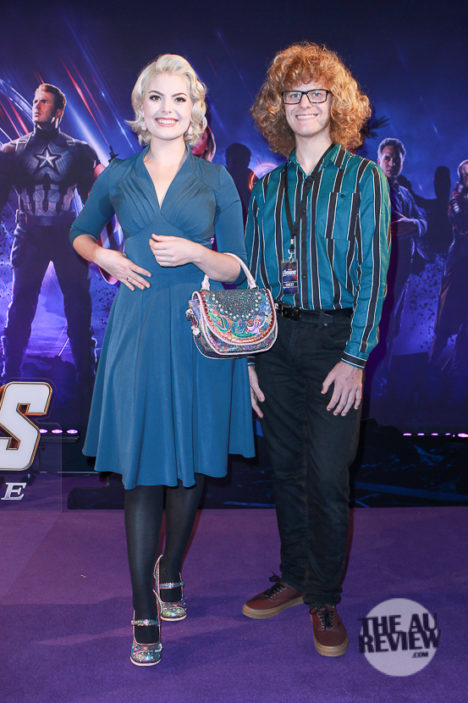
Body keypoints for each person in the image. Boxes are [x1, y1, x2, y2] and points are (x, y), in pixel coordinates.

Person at [70, 54, 254, 667]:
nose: (167, 108)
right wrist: (104, 256)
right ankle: (142, 609)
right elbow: (80, 231)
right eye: (157, 97)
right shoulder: (118, 175)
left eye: (180, 98)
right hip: (138, 330)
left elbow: (237, 267)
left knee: (191, 467)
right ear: (141, 108)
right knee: (142, 469)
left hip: (199, 332)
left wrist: (198, 254)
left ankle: (170, 567)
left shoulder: (216, 179)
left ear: (194, 109)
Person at [243, 43, 390, 657]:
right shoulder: (267, 187)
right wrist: (251, 357)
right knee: (286, 469)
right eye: (292, 94)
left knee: (328, 475)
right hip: (276, 341)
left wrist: (355, 359)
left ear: (336, 103)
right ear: (278, 106)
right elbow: (254, 278)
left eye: (316, 93)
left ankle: (324, 596)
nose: (304, 103)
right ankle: (296, 576)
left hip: (336, 341)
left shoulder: (364, 178)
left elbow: (374, 274)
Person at [0, 83, 100, 386]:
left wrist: (98, 242)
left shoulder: (80, 151)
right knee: (21, 306)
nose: (36, 105)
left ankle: (87, 379)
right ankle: (10, 374)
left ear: (59, 110)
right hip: (29, 233)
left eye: (44, 101)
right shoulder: (12, 152)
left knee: (78, 305)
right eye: (35, 101)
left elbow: (96, 202)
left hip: (67, 233)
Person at [377, 137, 428, 359]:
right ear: (379, 160)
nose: (391, 164)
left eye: (396, 160)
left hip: (401, 269)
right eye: (387, 158)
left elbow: (424, 222)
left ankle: (383, 370)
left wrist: (413, 224)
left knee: (392, 323)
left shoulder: (405, 194)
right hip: (375, 268)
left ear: (402, 164)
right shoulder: (369, 189)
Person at [431, 159, 468, 370]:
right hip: (460, 264)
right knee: (445, 323)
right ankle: (432, 367)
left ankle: (455, 368)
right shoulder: (457, 198)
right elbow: (462, 224)